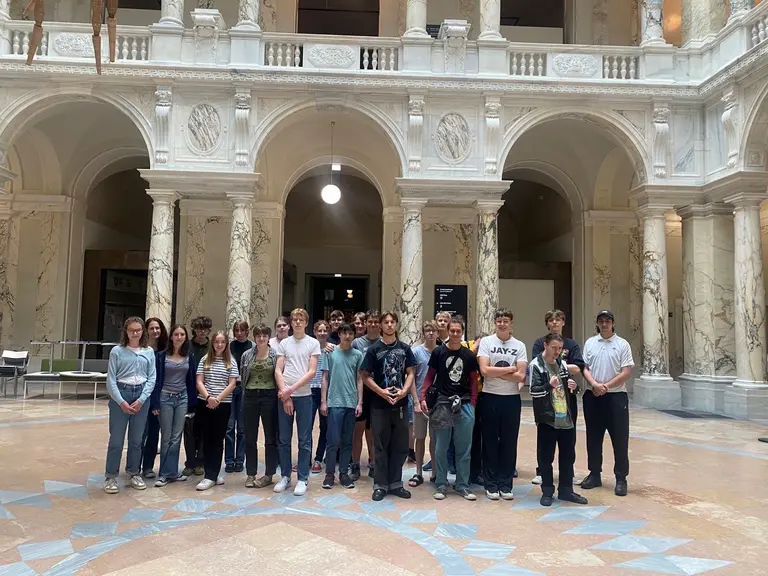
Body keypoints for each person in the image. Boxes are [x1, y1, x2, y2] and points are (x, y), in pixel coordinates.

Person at [420, 317, 480, 501]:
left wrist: (473, 402)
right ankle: (441, 484)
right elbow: (429, 376)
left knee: (464, 447)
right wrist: (423, 396)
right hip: (442, 403)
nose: (454, 334)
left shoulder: (468, 355)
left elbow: (473, 380)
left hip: (464, 403)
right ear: (447, 330)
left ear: (462, 333)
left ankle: (462, 485)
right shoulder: (438, 352)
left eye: (458, 331)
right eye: (452, 330)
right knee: (441, 447)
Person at [360, 310, 417, 501]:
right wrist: (381, 391)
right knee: (381, 444)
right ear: (381, 325)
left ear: (397, 324)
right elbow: (364, 375)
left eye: (393, 322)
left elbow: (411, 373)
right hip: (379, 403)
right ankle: (380, 484)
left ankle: (396, 483)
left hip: (400, 403)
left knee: (400, 445)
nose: (389, 325)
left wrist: (404, 391)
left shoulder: (405, 348)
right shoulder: (373, 349)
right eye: (386, 322)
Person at [528, 333, 588, 507]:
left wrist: (574, 387)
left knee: (568, 456)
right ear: (545, 345)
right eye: (554, 347)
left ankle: (566, 490)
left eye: (560, 348)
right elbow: (533, 391)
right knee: (546, 457)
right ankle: (547, 491)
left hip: (565, 417)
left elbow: (568, 388)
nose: (557, 351)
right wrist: (549, 385)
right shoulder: (536, 365)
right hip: (547, 419)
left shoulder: (562, 364)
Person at [580, 310, 633, 497]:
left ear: (613, 323)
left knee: (620, 438)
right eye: (601, 321)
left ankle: (621, 478)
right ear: (597, 323)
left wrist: (606, 387)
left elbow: (626, 372)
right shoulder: (590, 343)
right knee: (593, 437)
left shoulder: (622, 344)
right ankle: (594, 474)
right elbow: (584, 368)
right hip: (593, 395)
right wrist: (594, 384)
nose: (604, 324)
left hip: (616, 397)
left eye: (608, 321)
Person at [477, 308, 528, 501]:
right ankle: (491, 484)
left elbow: (521, 376)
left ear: (511, 323)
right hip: (490, 397)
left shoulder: (519, 345)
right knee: (489, 441)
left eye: (506, 321)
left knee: (509, 442)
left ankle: (506, 484)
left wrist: (496, 371)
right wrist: (510, 369)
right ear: (494, 323)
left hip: (511, 399)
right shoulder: (487, 342)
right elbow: (484, 370)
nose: (502, 324)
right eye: (499, 321)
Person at [103, 317, 157, 494]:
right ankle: (111, 476)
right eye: (131, 330)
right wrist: (121, 402)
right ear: (126, 332)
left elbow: (152, 377)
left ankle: (134, 472)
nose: (135, 333)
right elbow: (111, 380)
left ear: (143, 331)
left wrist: (142, 399)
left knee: (136, 440)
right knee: (116, 439)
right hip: (121, 393)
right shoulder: (117, 351)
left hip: (141, 395)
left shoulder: (148, 351)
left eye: (138, 330)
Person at [274, 308, 321, 496]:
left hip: (304, 397)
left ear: (306, 323)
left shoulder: (313, 343)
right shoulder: (284, 343)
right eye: (294, 319)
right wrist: (285, 394)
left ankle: (302, 478)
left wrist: (289, 391)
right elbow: (278, 370)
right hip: (285, 396)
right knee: (284, 439)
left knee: (304, 439)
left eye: (301, 319)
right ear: (291, 323)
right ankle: (285, 476)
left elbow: (312, 372)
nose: (298, 322)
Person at [151, 324, 198, 487]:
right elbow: (156, 380)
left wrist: (192, 403)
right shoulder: (161, 356)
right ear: (171, 336)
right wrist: (155, 402)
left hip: (182, 398)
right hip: (165, 397)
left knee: (177, 436)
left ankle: (172, 472)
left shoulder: (189, 356)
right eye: (176, 334)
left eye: (182, 334)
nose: (179, 337)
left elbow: (192, 380)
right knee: (166, 436)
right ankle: (164, 473)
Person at [320, 323, 364, 489]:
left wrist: (359, 402)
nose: (347, 336)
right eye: (344, 333)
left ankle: (344, 473)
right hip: (334, 402)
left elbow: (359, 379)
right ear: (339, 334)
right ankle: (329, 474)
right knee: (332, 440)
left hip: (351, 403)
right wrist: (324, 401)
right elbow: (325, 377)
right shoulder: (330, 352)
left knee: (347, 441)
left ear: (354, 335)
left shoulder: (357, 355)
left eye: (350, 333)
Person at [195, 330, 239, 491]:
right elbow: (199, 381)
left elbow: (232, 384)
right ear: (212, 343)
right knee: (206, 439)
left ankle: (212, 475)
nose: (219, 345)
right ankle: (210, 473)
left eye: (222, 342)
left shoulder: (231, 361)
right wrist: (208, 398)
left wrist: (217, 399)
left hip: (223, 404)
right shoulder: (204, 359)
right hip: (205, 403)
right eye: (216, 342)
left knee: (218, 440)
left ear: (226, 344)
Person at [240, 324, 279, 489]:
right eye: (258, 335)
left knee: (270, 437)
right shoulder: (247, 355)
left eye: (264, 335)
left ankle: (269, 474)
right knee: (250, 437)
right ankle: (251, 473)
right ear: (254, 337)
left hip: (269, 396)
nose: (261, 338)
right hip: (250, 396)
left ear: (269, 337)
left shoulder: (275, 355)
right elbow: (243, 376)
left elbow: (279, 375)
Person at [408, 320, 438, 488]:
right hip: (419, 401)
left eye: (433, 330)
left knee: (435, 439)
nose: (431, 333)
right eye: (428, 330)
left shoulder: (442, 351)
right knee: (419, 437)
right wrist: (415, 401)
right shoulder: (416, 352)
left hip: (437, 403)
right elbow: (411, 378)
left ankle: (435, 472)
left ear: (438, 333)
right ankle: (418, 472)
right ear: (423, 333)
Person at [350, 310, 380, 481]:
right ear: (366, 323)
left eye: (376, 321)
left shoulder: (383, 342)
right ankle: (355, 464)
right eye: (370, 321)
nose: (373, 324)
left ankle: (373, 463)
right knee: (358, 431)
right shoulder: (357, 343)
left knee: (373, 431)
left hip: (377, 392)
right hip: (360, 392)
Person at [182, 315, 212, 477]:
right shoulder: (186, 346)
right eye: (199, 329)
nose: (201, 332)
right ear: (194, 330)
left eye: (205, 329)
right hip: (188, 392)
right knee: (189, 430)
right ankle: (190, 462)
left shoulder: (212, 347)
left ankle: (201, 461)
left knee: (204, 429)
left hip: (207, 392)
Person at [141, 317, 168, 479]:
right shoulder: (142, 349)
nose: (155, 331)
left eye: (157, 328)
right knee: (140, 434)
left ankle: (148, 467)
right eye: (151, 328)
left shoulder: (166, 350)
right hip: (142, 395)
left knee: (153, 432)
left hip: (160, 396)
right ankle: (134, 466)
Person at [225, 320, 253, 474]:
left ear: (247, 331)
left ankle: (240, 459)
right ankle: (229, 460)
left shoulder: (253, 347)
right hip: (230, 388)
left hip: (245, 389)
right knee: (229, 427)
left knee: (242, 428)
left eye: (242, 330)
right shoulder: (229, 346)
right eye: (237, 330)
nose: (239, 333)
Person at [309, 320, 330, 474]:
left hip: (326, 391)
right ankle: (305, 458)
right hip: (309, 390)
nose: (322, 333)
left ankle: (318, 458)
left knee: (324, 426)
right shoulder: (309, 347)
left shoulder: (332, 349)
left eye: (325, 330)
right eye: (319, 330)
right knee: (307, 426)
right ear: (315, 332)